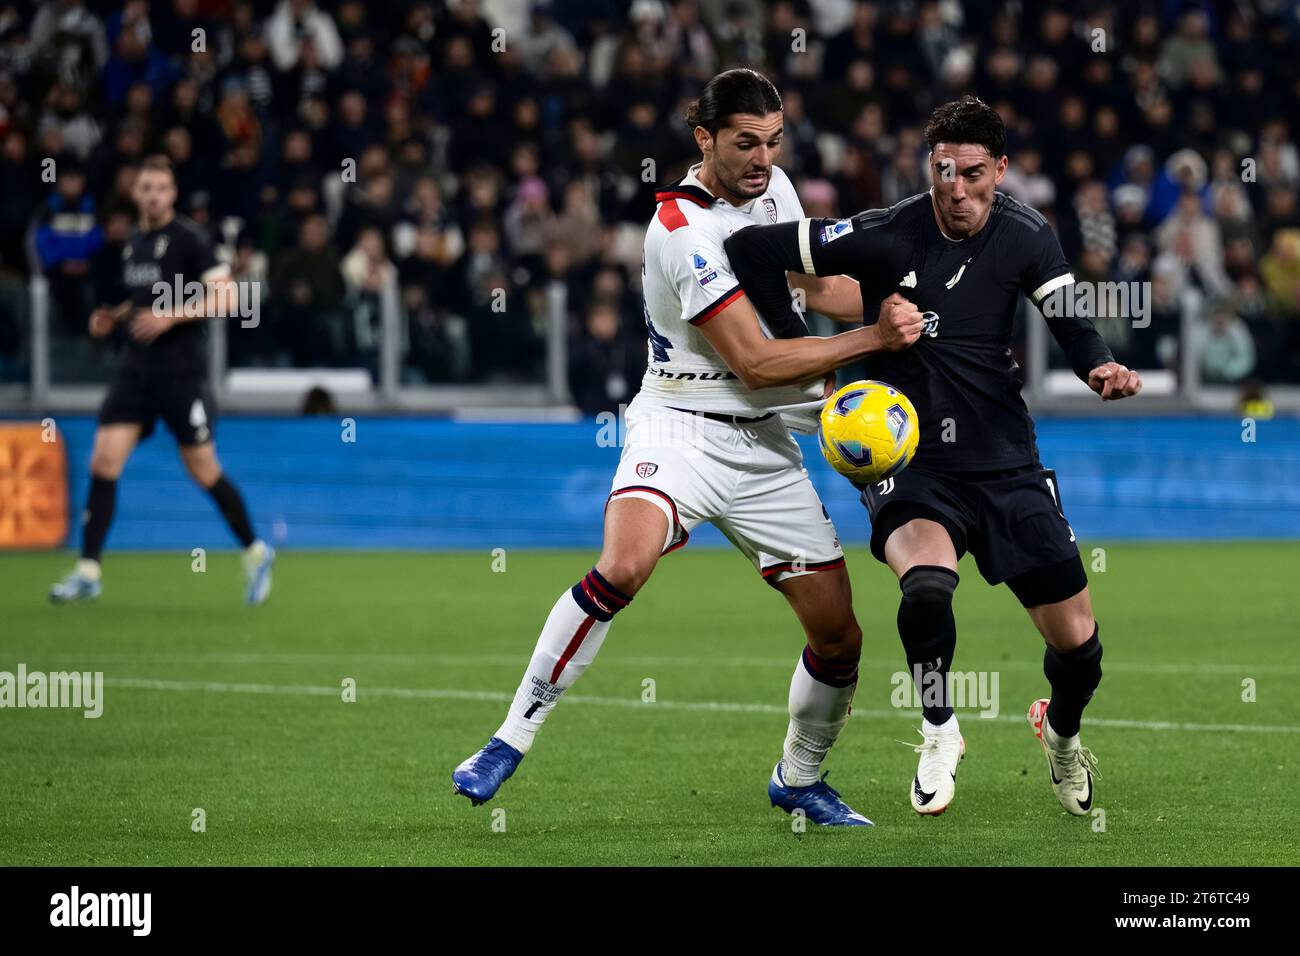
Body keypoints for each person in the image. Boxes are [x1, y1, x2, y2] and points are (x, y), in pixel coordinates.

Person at [452, 69, 922, 826]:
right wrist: (873, 338)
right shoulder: (680, 230)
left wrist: (910, 305)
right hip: (683, 423)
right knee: (625, 564)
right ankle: (509, 738)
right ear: (703, 138)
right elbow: (755, 362)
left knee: (839, 637)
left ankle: (799, 778)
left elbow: (811, 287)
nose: (762, 159)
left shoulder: (776, 192)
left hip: (767, 438)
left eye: (773, 142)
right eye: (744, 142)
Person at [724, 96, 1142, 817]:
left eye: (973, 173)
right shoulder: (888, 233)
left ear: (1001, 170)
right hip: (910, 461)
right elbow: (752, 252)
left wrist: (1100, 365)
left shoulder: (1026, 234)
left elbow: (1069, 319)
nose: (956, 188)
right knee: (923, 592)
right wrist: (808, 349)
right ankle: (940, 726)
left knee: (1080, 651)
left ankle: (1063, 736)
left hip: (1007, 461)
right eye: (943, 170)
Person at [49, 156, 275, 605]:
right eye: (146, 187)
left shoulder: (191, 240)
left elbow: (229, 296)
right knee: (103, 461)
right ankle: (89, 570)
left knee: (203, 469)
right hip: (136, 371)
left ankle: (256, 550)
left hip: (180, 372)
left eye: (161, 188)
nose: (153, 195)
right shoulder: (135, 245)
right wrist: (112, 318)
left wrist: (171, 317)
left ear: (172, 195)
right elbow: (143, 305)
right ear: (136, 194)